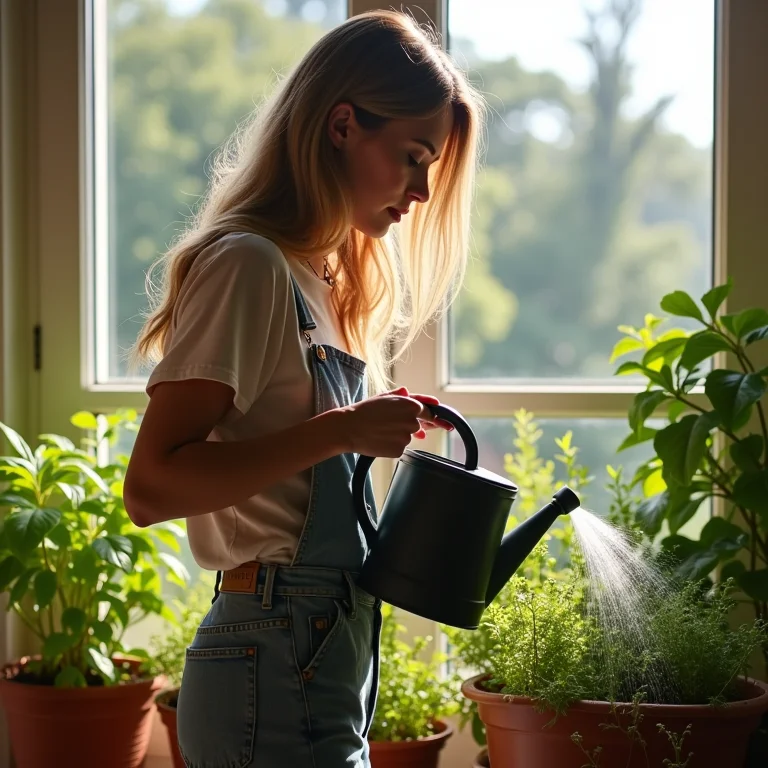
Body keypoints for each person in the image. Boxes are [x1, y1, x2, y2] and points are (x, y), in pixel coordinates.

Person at [124, 9, 484, 768]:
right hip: (271, 653)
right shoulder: (248, 265)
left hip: (322, 650)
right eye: (413, 156)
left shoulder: (326, 285)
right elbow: (150, 488)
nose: (421, 190)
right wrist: (343, 430)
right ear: (344, 124)